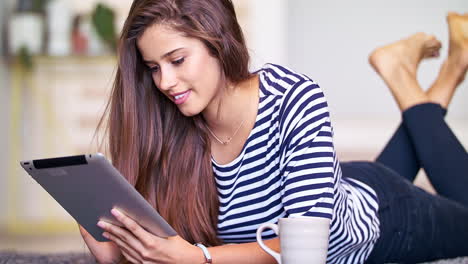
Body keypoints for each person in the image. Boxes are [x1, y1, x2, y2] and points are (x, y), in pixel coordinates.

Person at [77, 0, 468, 263]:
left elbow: (306, 249)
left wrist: (200, 258)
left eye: (177, 60)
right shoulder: (172, 121)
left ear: (218, 40)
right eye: (154, 68)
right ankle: (434, 72)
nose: (165, 82)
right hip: (328, 190)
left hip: (382, 215)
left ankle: (410, 74)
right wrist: (116, 246)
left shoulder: (294, 98)